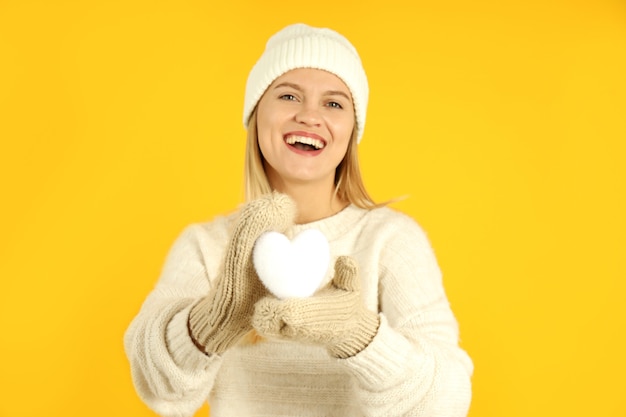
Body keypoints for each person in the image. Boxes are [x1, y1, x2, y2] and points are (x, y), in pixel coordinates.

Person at [124, 23, 473, 417]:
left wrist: (359, 335)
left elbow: (448, 402)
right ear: (257, 115)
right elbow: (158, 388)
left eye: (334, 103)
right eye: (289, 95)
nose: (310, 116)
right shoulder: (206, 246)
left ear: (351, 132)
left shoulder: (392, 241)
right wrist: (212, 322)